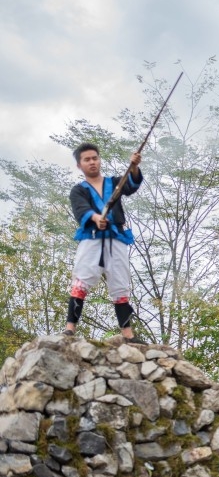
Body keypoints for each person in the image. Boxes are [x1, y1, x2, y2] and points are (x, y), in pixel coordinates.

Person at [63, 142, 145, 343]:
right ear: (79, 165)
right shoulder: (78, 190)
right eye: (87, 159)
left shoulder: (115, 182)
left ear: (99, 159)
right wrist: (95, 218)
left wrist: (133, 166)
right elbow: (81, 209)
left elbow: (131, 185)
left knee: (120, 284)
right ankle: (69, 329)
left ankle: (128, 335)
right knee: (81, 281)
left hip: (116, 239)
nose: (92, 162)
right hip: (91, 241)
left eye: (94, 158)